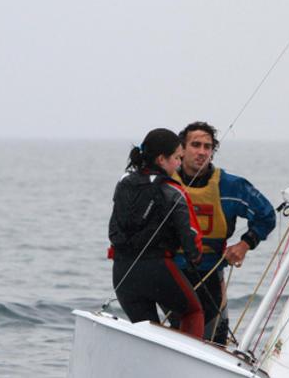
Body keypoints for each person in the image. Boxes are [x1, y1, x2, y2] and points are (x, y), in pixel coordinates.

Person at [172, 121, 276, 344]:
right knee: (177, 333)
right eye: (196, 145)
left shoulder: (231, 186)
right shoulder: (166, 183)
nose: (202, 152)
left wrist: (244, 244)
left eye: (207, 147)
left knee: (213, 339)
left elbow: (267, 215)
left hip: (211, 271)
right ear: (181, 149)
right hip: (171, 272)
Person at [108, 128, 204, 338]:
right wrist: (194, 257)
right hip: (157, 269)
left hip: (122, 272)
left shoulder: (123, 182)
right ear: (162, 159)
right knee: (193, 312)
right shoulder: (173, 190)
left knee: (148, 332)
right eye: (178, 158)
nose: (180, 163)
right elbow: (192, 240)